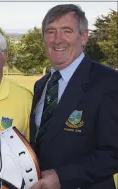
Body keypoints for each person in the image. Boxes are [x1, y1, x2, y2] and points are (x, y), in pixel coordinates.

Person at [29, 4, 118, 189]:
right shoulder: (42, 85)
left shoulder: (109, 82)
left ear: (83, 37)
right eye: (50, 32)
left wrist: (61, 178)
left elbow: (113, 153)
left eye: (67, 31)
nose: (57, 40)